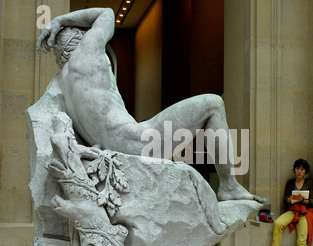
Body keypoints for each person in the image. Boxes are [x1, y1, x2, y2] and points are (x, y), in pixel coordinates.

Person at [36, 8, 266, 204]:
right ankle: (228, 185)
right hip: (140, 144)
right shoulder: (88, 50)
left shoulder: (62, 83)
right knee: (214, 104)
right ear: (80, 36)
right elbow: (106, 13)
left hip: (118, 150)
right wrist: (61, 20)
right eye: (82, 31)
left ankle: (229, 186)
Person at [264, 159, 313, 246]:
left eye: (302, 169)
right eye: (297, 169)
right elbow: (285, 199)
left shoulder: (309, 182)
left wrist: (303, 200)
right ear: (294, 170)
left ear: (305, 171)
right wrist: (290, 199)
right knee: (278, 223)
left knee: (301, 240)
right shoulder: (290, 183)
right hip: (293, 210)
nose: (299, 171)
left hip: (305, 212)